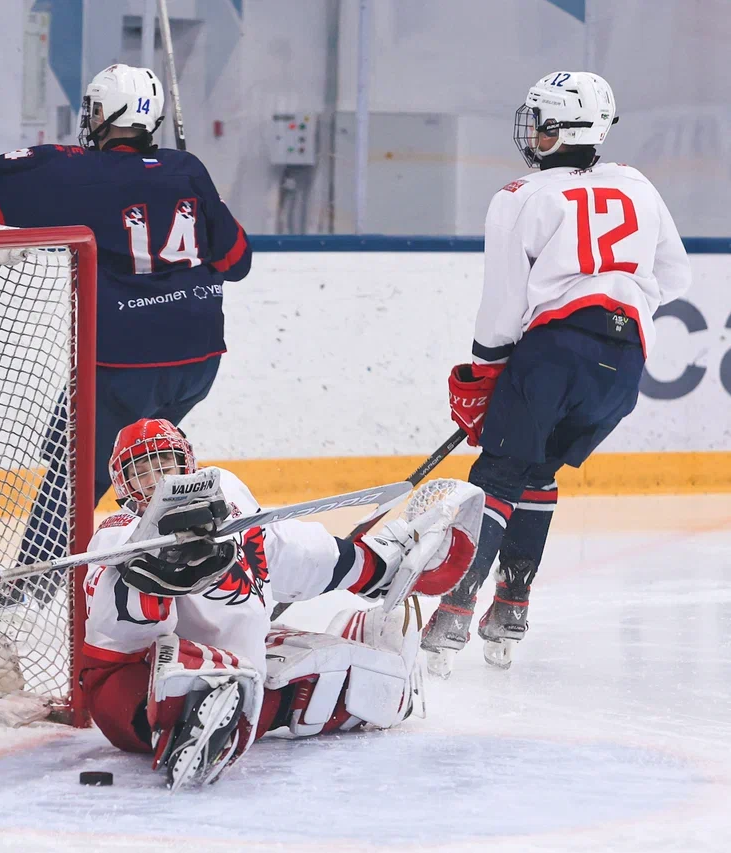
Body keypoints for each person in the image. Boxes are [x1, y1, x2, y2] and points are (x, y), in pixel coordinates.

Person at [0, 67, 252, 631]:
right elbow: (236, 263)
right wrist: (189, 193)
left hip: (124, 365)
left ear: (104, 115)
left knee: (72, 473)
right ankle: (178, 564)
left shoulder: (76, 173)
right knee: (141, 465)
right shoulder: (188, 170)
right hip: (197, 363)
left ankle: (31, 599)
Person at [422, 72, 692, 676]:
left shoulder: (521, 194)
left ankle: (455, 611)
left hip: (553, 353)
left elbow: (503, 303)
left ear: (561, 129)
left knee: (496, 473)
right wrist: (614, 297)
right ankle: (511, 607)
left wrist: (483, 372)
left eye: (541, 121)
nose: (534, 131)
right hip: (624, 363)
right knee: (539, 472)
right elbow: (675, 279)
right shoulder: (640, 185)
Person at [81, 418, 485, 788]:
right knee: (199, 673)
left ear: (187, 463)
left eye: (165, 462)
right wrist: (153, 574)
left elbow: (289, 551)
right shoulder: (119, 535)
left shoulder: (229, 502)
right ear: (124, 486)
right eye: (141, 471)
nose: (157, 478)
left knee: (326, 674)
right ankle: (207, 710)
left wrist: (374, 568)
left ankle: (234, 706)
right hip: (129, 688)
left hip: (235, 663)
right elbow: (117, 627)